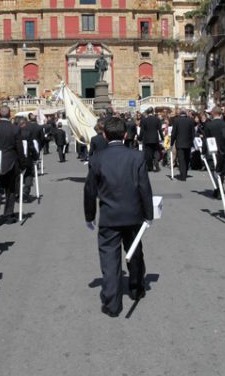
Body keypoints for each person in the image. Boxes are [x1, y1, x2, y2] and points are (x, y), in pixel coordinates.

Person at [84, 117, 153, 317]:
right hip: (134, 215)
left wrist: (90, 216)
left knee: (109, 259)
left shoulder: (97, 158)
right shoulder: (137, 157)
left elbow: (90, 190)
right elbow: (144, 188)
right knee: (135, 252)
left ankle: (112, 303)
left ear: (104, 135)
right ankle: (137, 287)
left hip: (109, 217)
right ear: (125, 135)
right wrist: (149, 215)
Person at [0, 105, 25, 223]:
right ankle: (8, 214)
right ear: (10, 115)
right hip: (11, 162)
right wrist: (23, 164)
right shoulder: (15, 129)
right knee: (11, 189)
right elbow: (19, 148)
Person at [202, 107, 225, 197]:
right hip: (223, 150)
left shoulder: (209, 125)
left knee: (214, 169)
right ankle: (219, 187)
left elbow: (205, 139)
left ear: (213, 113)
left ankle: (218, 188)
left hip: (212, 150)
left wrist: (203, 151)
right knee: (222, 169)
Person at [170, 108, 195, 181]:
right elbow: (193, 133)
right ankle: (185, 172)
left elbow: (173, 133)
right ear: (186, 113)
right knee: (187, 158)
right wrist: (192, 141)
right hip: (188, 142)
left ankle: (182, 175)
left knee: (181, 159)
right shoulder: (190, 120)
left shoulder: (176, 120)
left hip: (179, 143)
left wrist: (171, 143)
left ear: (180, 113)